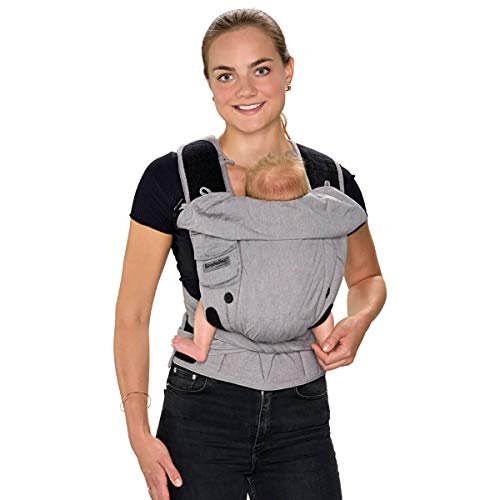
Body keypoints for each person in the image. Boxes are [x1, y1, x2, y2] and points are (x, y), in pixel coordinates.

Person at [114, 8, 387, 500]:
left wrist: (359, 321)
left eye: (260, 69)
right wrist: (138, 432)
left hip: (302, 414)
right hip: (202, 409)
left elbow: (367, 278)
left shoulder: (332, 183)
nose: (245, 89)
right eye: (226, 75)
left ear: (288, 70)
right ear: (209, 84)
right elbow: (132, 313)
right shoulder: (173, 177)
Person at [170, 150, 356, 363]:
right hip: (305, 314)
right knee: (322, 311)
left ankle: (199, 346)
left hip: (241, 313)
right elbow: (347, 212)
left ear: (250, 196)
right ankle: (327, 345)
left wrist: (184, 213)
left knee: (208, 302)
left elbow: (202, 216)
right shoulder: (320, 218)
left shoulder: (242, 215)